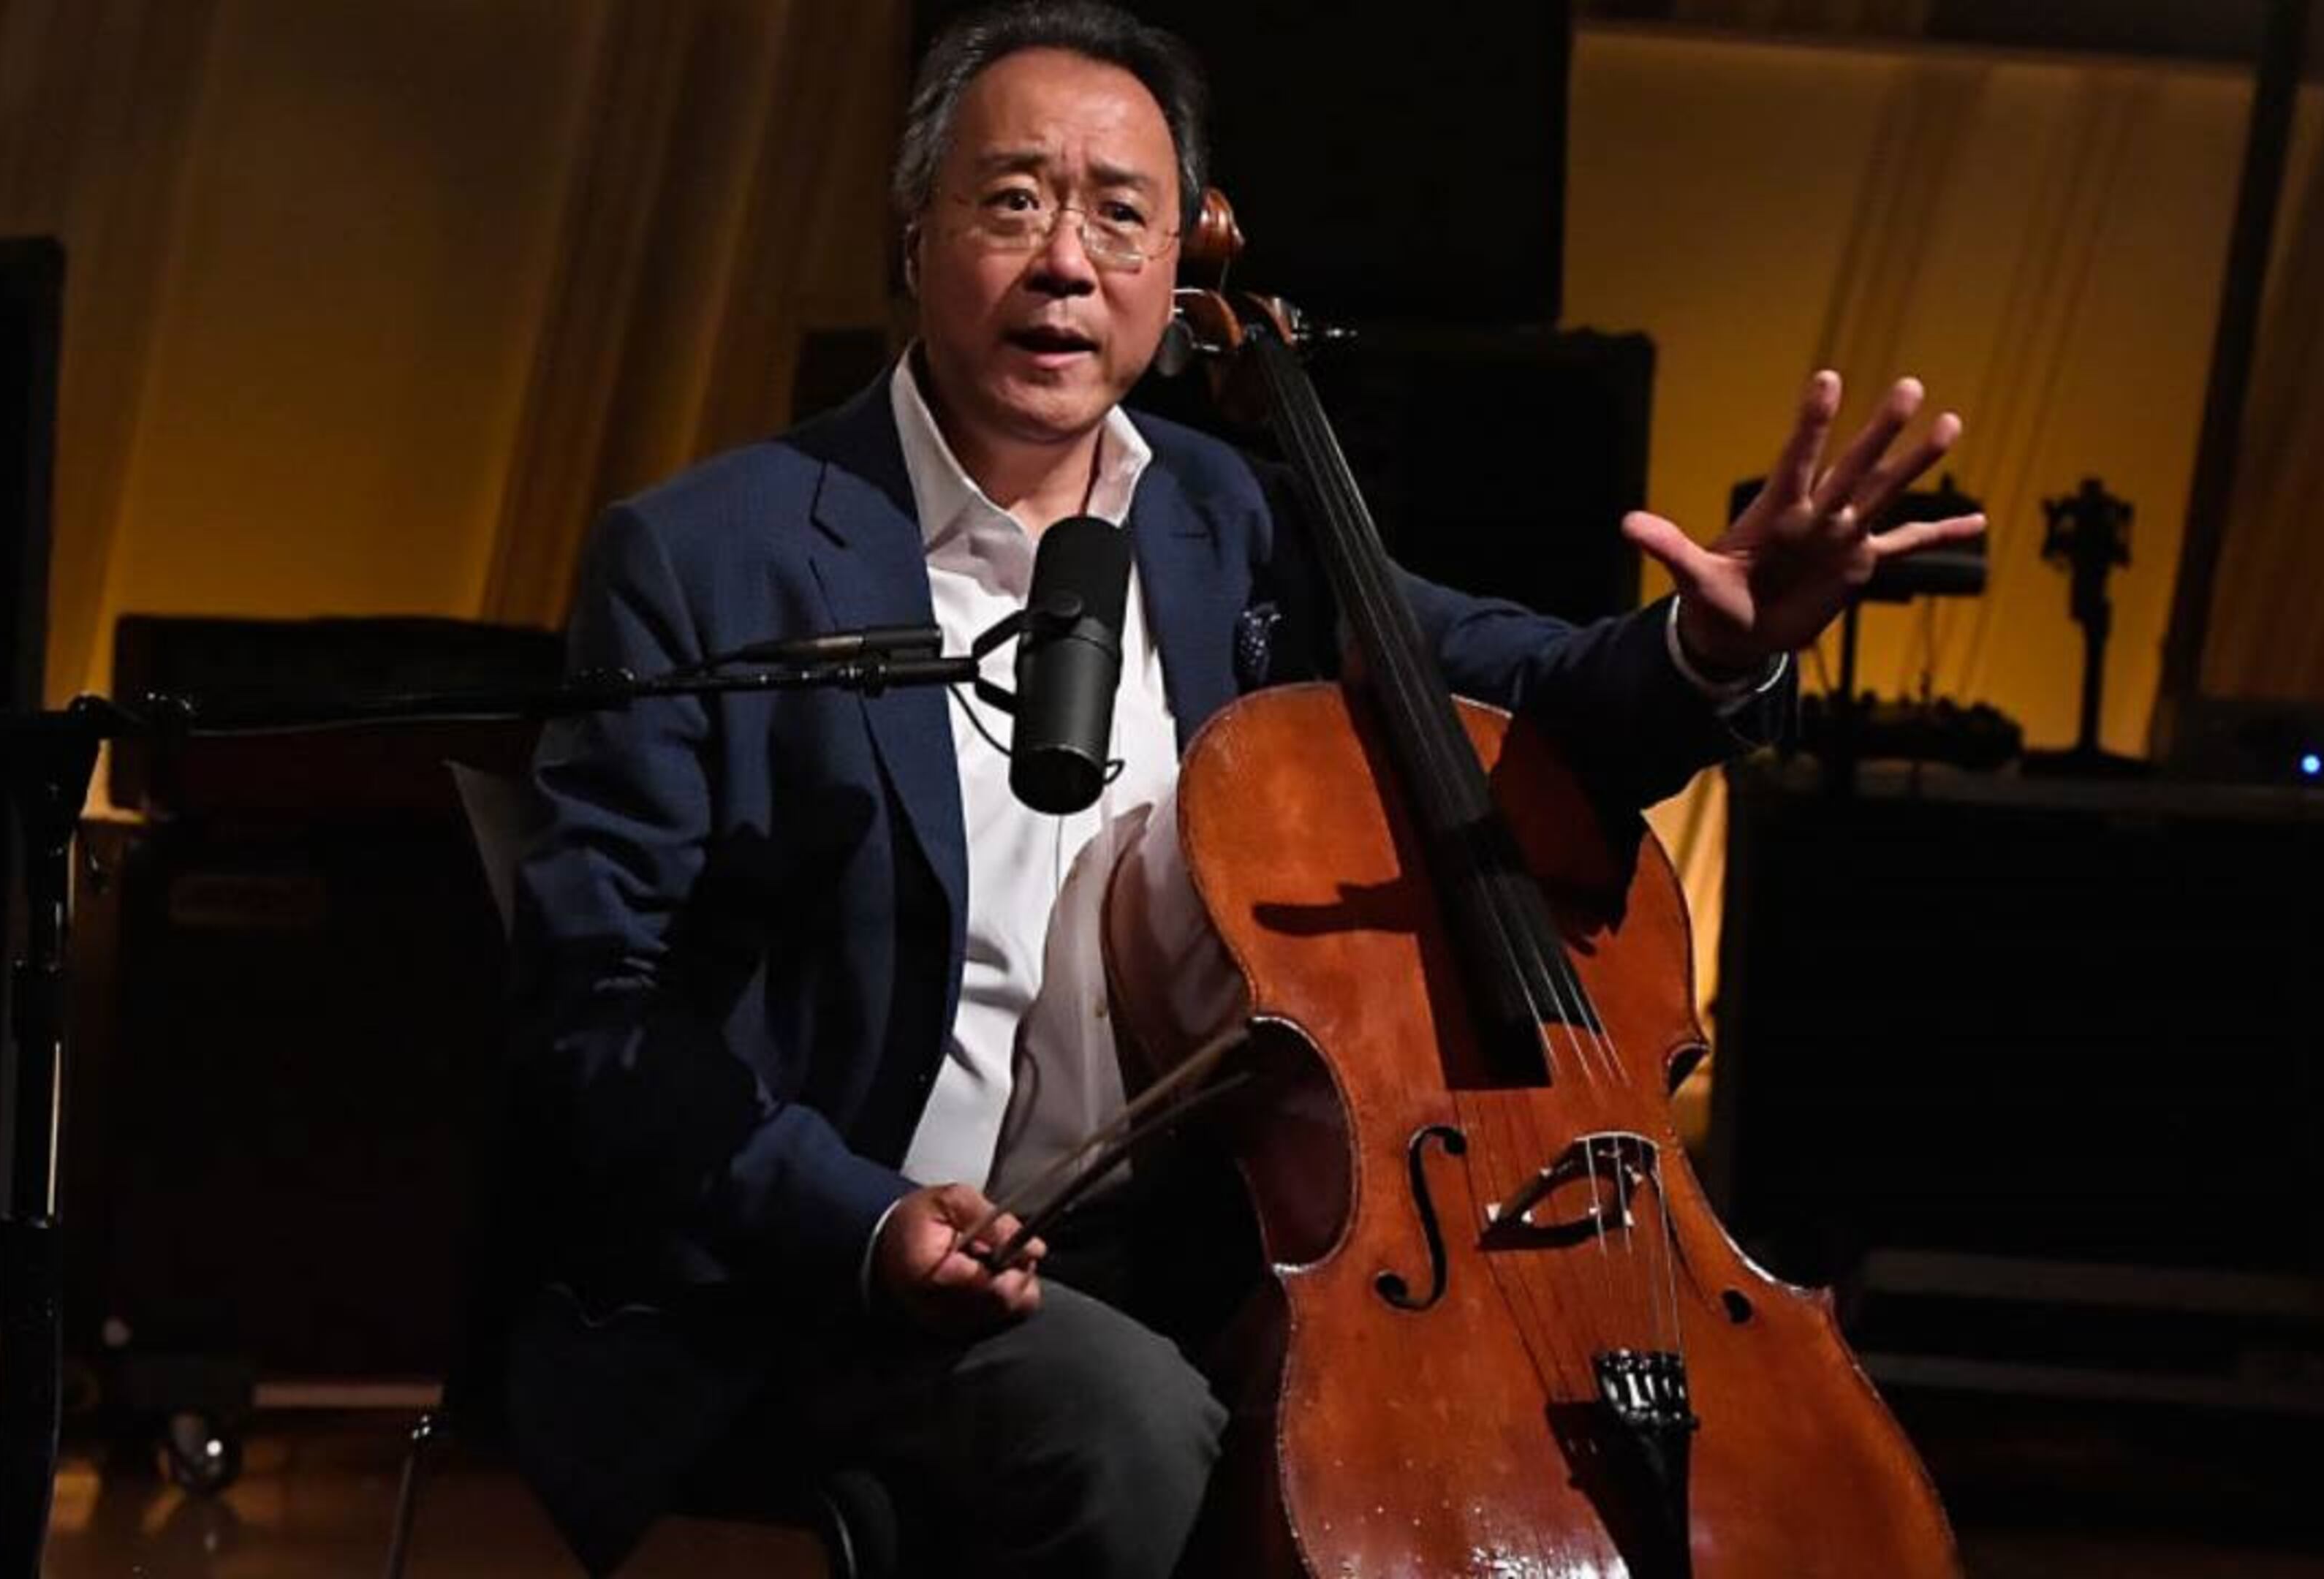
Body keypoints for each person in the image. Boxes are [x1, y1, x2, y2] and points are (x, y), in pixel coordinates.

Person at [496, 3, 1986, 1575]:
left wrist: (1704, 646)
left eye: (1119, 214)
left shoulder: (1235, 527)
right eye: (1013, 201)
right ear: (915, 232)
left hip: (1203, 1244)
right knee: (1139, 1428)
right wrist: (859, 1222)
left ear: (1170, 273)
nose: (1066, 259)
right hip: (823, 1272)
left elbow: (1522, 693)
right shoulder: (710, 557)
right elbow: (598, 1007)